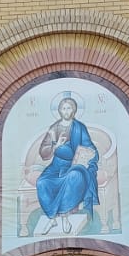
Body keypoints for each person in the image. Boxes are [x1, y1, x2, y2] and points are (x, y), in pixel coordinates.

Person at [35, 95, 99, 233]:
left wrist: (90, 156)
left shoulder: (79, 128)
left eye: (69, 108)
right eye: (63, 108)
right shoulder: (54, 128)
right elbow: (43, 152)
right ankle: (52, 219)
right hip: (56, 166)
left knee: (73, 177)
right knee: (42, 182)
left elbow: (89, 146)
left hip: (74, 166)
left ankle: (64, 217)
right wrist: (55, 146)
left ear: (74, 110)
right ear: (59, 111)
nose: (66, 111)